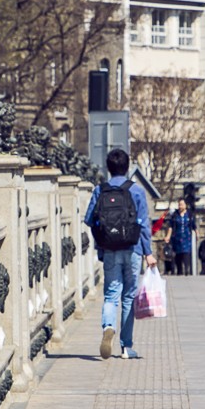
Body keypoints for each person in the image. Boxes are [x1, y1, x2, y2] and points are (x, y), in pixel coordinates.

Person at [84, 148, 153, 360]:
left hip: (110, 250)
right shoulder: (136, 191)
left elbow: (89, 219)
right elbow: (144, 225)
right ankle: (126, 347)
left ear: (108, 167)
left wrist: (103, 240)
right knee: (129, 297)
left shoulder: (100, 190)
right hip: (133, 249)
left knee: (111, 295)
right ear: (127, 166)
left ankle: (108, 326)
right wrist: (148, 253)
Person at [165, 200, 196, 276]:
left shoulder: (189, 214)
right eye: (179, 204)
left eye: (182, 204)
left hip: (187, 236)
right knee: (178, 254)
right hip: (177, 237)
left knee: (186, 252)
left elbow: (194, 226)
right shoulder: (175, 215)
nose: (180, 206)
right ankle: (179, 270)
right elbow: (171, 227)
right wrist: (168, 236)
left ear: (185, 205)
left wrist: (197, 234)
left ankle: (186, 269)